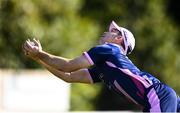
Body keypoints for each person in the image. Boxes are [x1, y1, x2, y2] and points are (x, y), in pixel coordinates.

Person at [23, 21, 180, 112]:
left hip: (157, 95)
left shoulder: (109, 50)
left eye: (113, 31)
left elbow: (68, 66)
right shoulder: (105, 66)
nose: (107, 31)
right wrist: (39, 59)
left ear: (119, 38)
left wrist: (40, 54)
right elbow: (68, 77)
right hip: (155, 99)